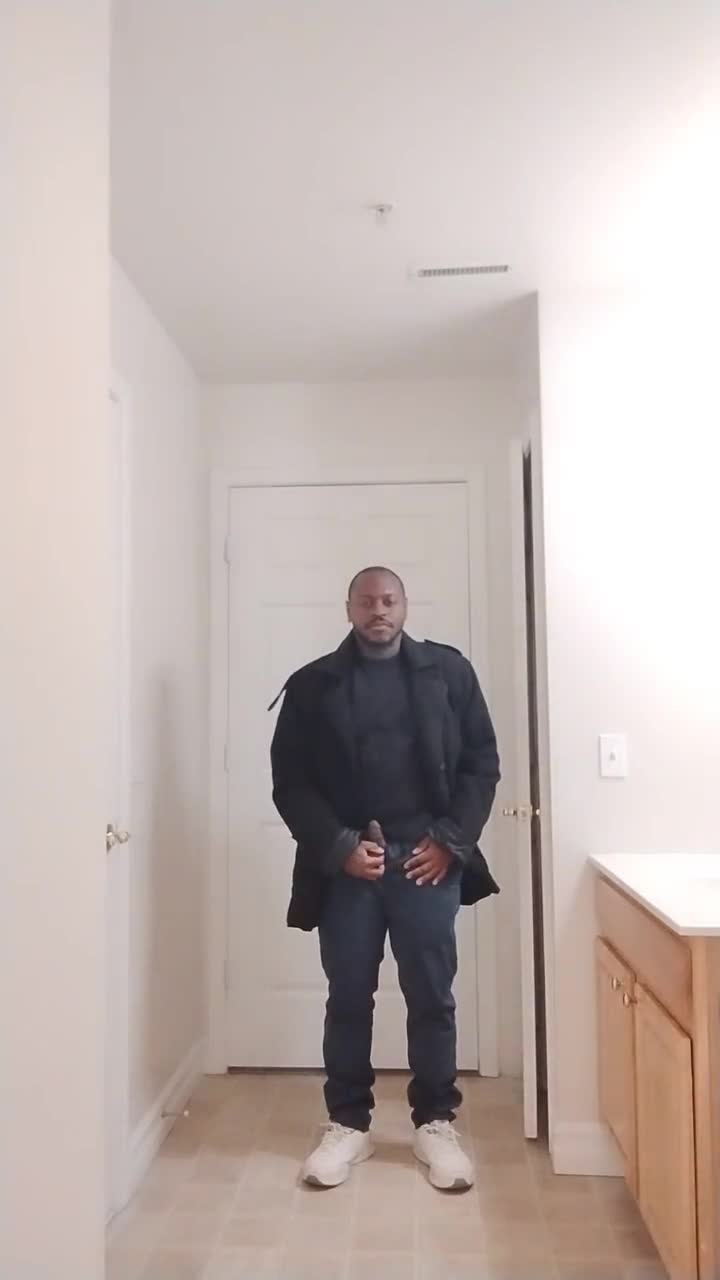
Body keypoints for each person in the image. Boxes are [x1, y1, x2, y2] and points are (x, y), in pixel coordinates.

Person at [270, 566, 500, 1190]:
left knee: (432, 997)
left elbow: (482, 765)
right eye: (367, 601)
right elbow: (291, 783)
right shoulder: (313, 685)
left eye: (389, 600)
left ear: (404, 605)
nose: (379, 610)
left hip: (427, 862)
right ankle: (348, 1124)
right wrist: (340, 847)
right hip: (350, 866)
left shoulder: (448, 673)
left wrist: (450, 842)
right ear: (349, 608)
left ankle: (435, 1124)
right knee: (348, 997)